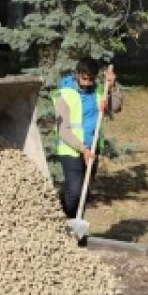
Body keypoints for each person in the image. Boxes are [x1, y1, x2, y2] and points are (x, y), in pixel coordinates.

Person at [53, 58, 122, 220]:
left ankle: (78, 227)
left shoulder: (99, 91)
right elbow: (63, 130)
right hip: (71, 149)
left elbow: (116, 107)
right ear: (77, 74)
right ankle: (66, 222)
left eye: (91, 79)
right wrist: (82, 149)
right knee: (75, 191)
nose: (87, 83)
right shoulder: (64, 94)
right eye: (84, 79)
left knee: (84, 191)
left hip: (92, 148)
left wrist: (113, 86)